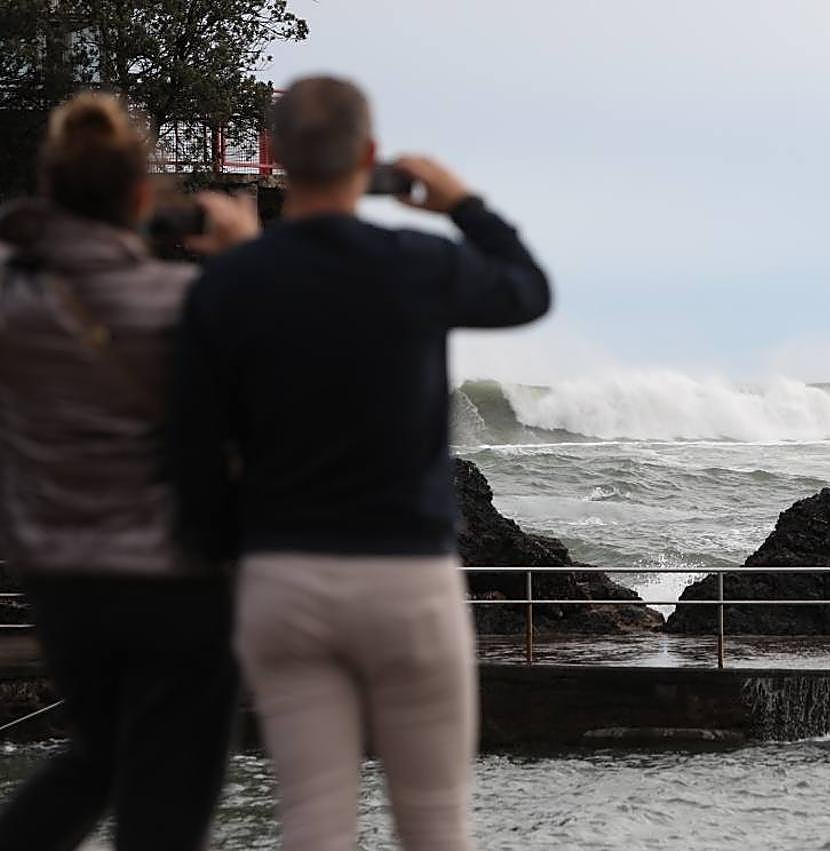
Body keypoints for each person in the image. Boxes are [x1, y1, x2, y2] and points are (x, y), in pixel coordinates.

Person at [170, 76, 552, 851]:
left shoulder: (228, 284)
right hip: (405, 578)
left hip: (282, 580)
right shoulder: (415, 261)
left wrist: (221, 562)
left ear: (279, 158)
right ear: (371, 157)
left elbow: (192, 448)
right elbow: (526, 291)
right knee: (435, 821)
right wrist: (460, 204)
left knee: (313, 825)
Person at [0, 92, 259, 850]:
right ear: (142, 197)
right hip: (176, 580)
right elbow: (287, 364)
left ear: (49, 192)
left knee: (96, 756)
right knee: (168, 801)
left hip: (59, 579)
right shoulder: (185, 301)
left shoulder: (15, 301)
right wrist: (246, 256)